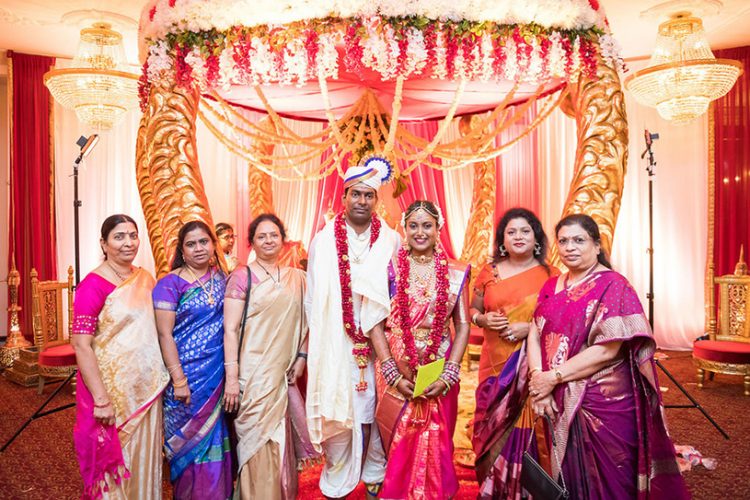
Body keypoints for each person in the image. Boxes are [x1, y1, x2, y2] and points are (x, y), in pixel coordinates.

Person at [525, 214, 689, 498]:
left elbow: (607, 349)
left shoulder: (614, 285)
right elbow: (534, 332)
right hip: (553, 395)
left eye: (579, 240)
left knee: (609, 476)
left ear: (597, 245)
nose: (569, 247)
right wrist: (538, 381)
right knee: (563, 477)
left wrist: (552, 377)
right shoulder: (551, 286)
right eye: (563, 241)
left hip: (602, 400)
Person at [305, 156, 401, 499]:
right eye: (355, 194)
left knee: (375, 408)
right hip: (336, 340)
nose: (362, 201)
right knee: (338, 404)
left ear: (377, 200)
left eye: (369, 195)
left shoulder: (391, 241)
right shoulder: (322, 242)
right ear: (343, 198)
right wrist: (314, 345)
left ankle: (376, 469)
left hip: (379, 343)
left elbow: (398, 293)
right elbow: (313, 299)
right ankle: (338, 471)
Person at [370, 200, 471, 499]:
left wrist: (450, 372)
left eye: (427, 225)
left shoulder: (457, 271)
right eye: (413, 225)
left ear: (438, 229)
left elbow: (463, 324)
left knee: (437, 438)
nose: (420, 232)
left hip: (438, 367)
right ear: (404, 228)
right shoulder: (389, 270)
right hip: (396, 365)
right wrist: (390, 369)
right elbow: (374, 322)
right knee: (400, 436)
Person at [71, 214, 169, 499]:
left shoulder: (146, 279)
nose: (128, 243)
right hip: (111, 395)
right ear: (104, 243)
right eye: (119, 236)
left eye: (133, 235)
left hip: (146, 390)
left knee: (144, 461)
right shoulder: (92, 285)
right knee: (114, 465)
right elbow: (81, 345)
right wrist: (101, 399)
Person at [223, 213, 319, 499]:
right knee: (255, 443)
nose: (268, 241)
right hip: (251, 377)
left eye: (273, 235)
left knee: (280, 443)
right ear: (251, 241)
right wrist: (231, 379)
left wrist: (301, 357)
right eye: (261, 236)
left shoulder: (297, 278)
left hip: (282, 375)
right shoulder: (241, 277)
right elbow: (230, 329)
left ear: (282, 239)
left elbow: (308, 321)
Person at [471, 208, 559, 497]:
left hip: (531, 366)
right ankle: (493, 485)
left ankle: (527, 488)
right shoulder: (489, 272)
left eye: (525, 231)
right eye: (511, 232)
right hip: (494, 364)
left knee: (532, 428)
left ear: (536, 238)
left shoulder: (551, 275)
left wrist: (530, 328)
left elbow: (561, 323)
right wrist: (482, 320)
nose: (518, 236)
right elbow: (473, 309)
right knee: (489, 423)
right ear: (502, 240)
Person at [153, 220, 233, 499]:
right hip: (185, 380)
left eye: (203, 242)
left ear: (213, 245)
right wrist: (179, 380)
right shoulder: (169, 283)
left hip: (217, 377)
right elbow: (164, 334)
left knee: (214, 441)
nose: (198, 248)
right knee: (186, 448)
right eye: (191, 244)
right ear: (182, 250)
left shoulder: (225, 278)